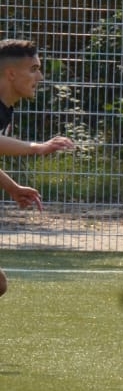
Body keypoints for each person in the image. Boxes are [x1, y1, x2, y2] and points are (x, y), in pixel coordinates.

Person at [0, 39, 78, 297]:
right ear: (11, 74)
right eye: (33, 69)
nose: (40, 77)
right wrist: (37, 147)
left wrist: (12, 187)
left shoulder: (5, 110)